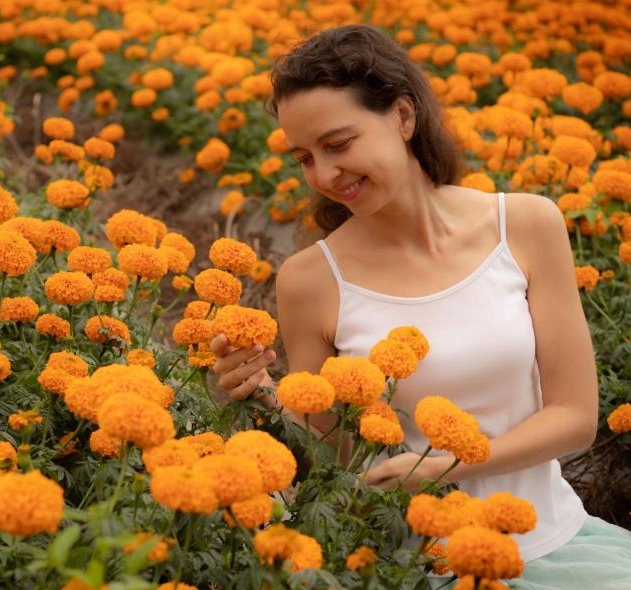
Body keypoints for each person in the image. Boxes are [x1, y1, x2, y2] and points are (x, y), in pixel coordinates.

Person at [209, 24, 631, 589]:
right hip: (412, 565)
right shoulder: (310, 279)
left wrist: (444, 467)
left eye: (338, 144)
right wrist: (260, 392)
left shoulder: (525, 225)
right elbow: (338, 453)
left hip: (550, 546)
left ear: (403, 117)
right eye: (304, 157)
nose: (325, 175)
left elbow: (575, 418)